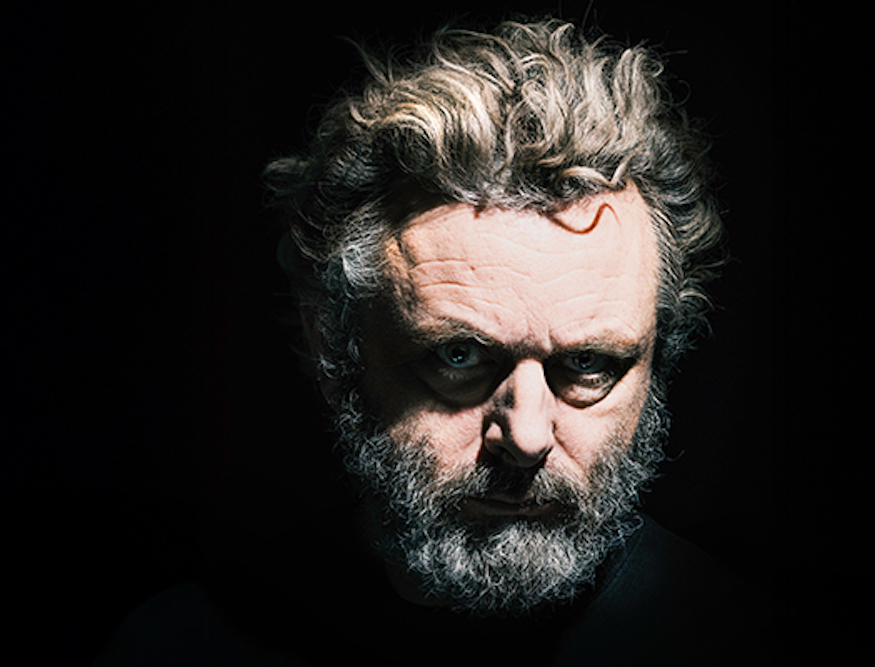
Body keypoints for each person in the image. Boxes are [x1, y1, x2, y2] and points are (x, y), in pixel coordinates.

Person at [97, 18, 770, 666]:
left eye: (589, 364)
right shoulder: (175, 649)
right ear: (332, 347)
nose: (526, 437)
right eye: (459, 356)